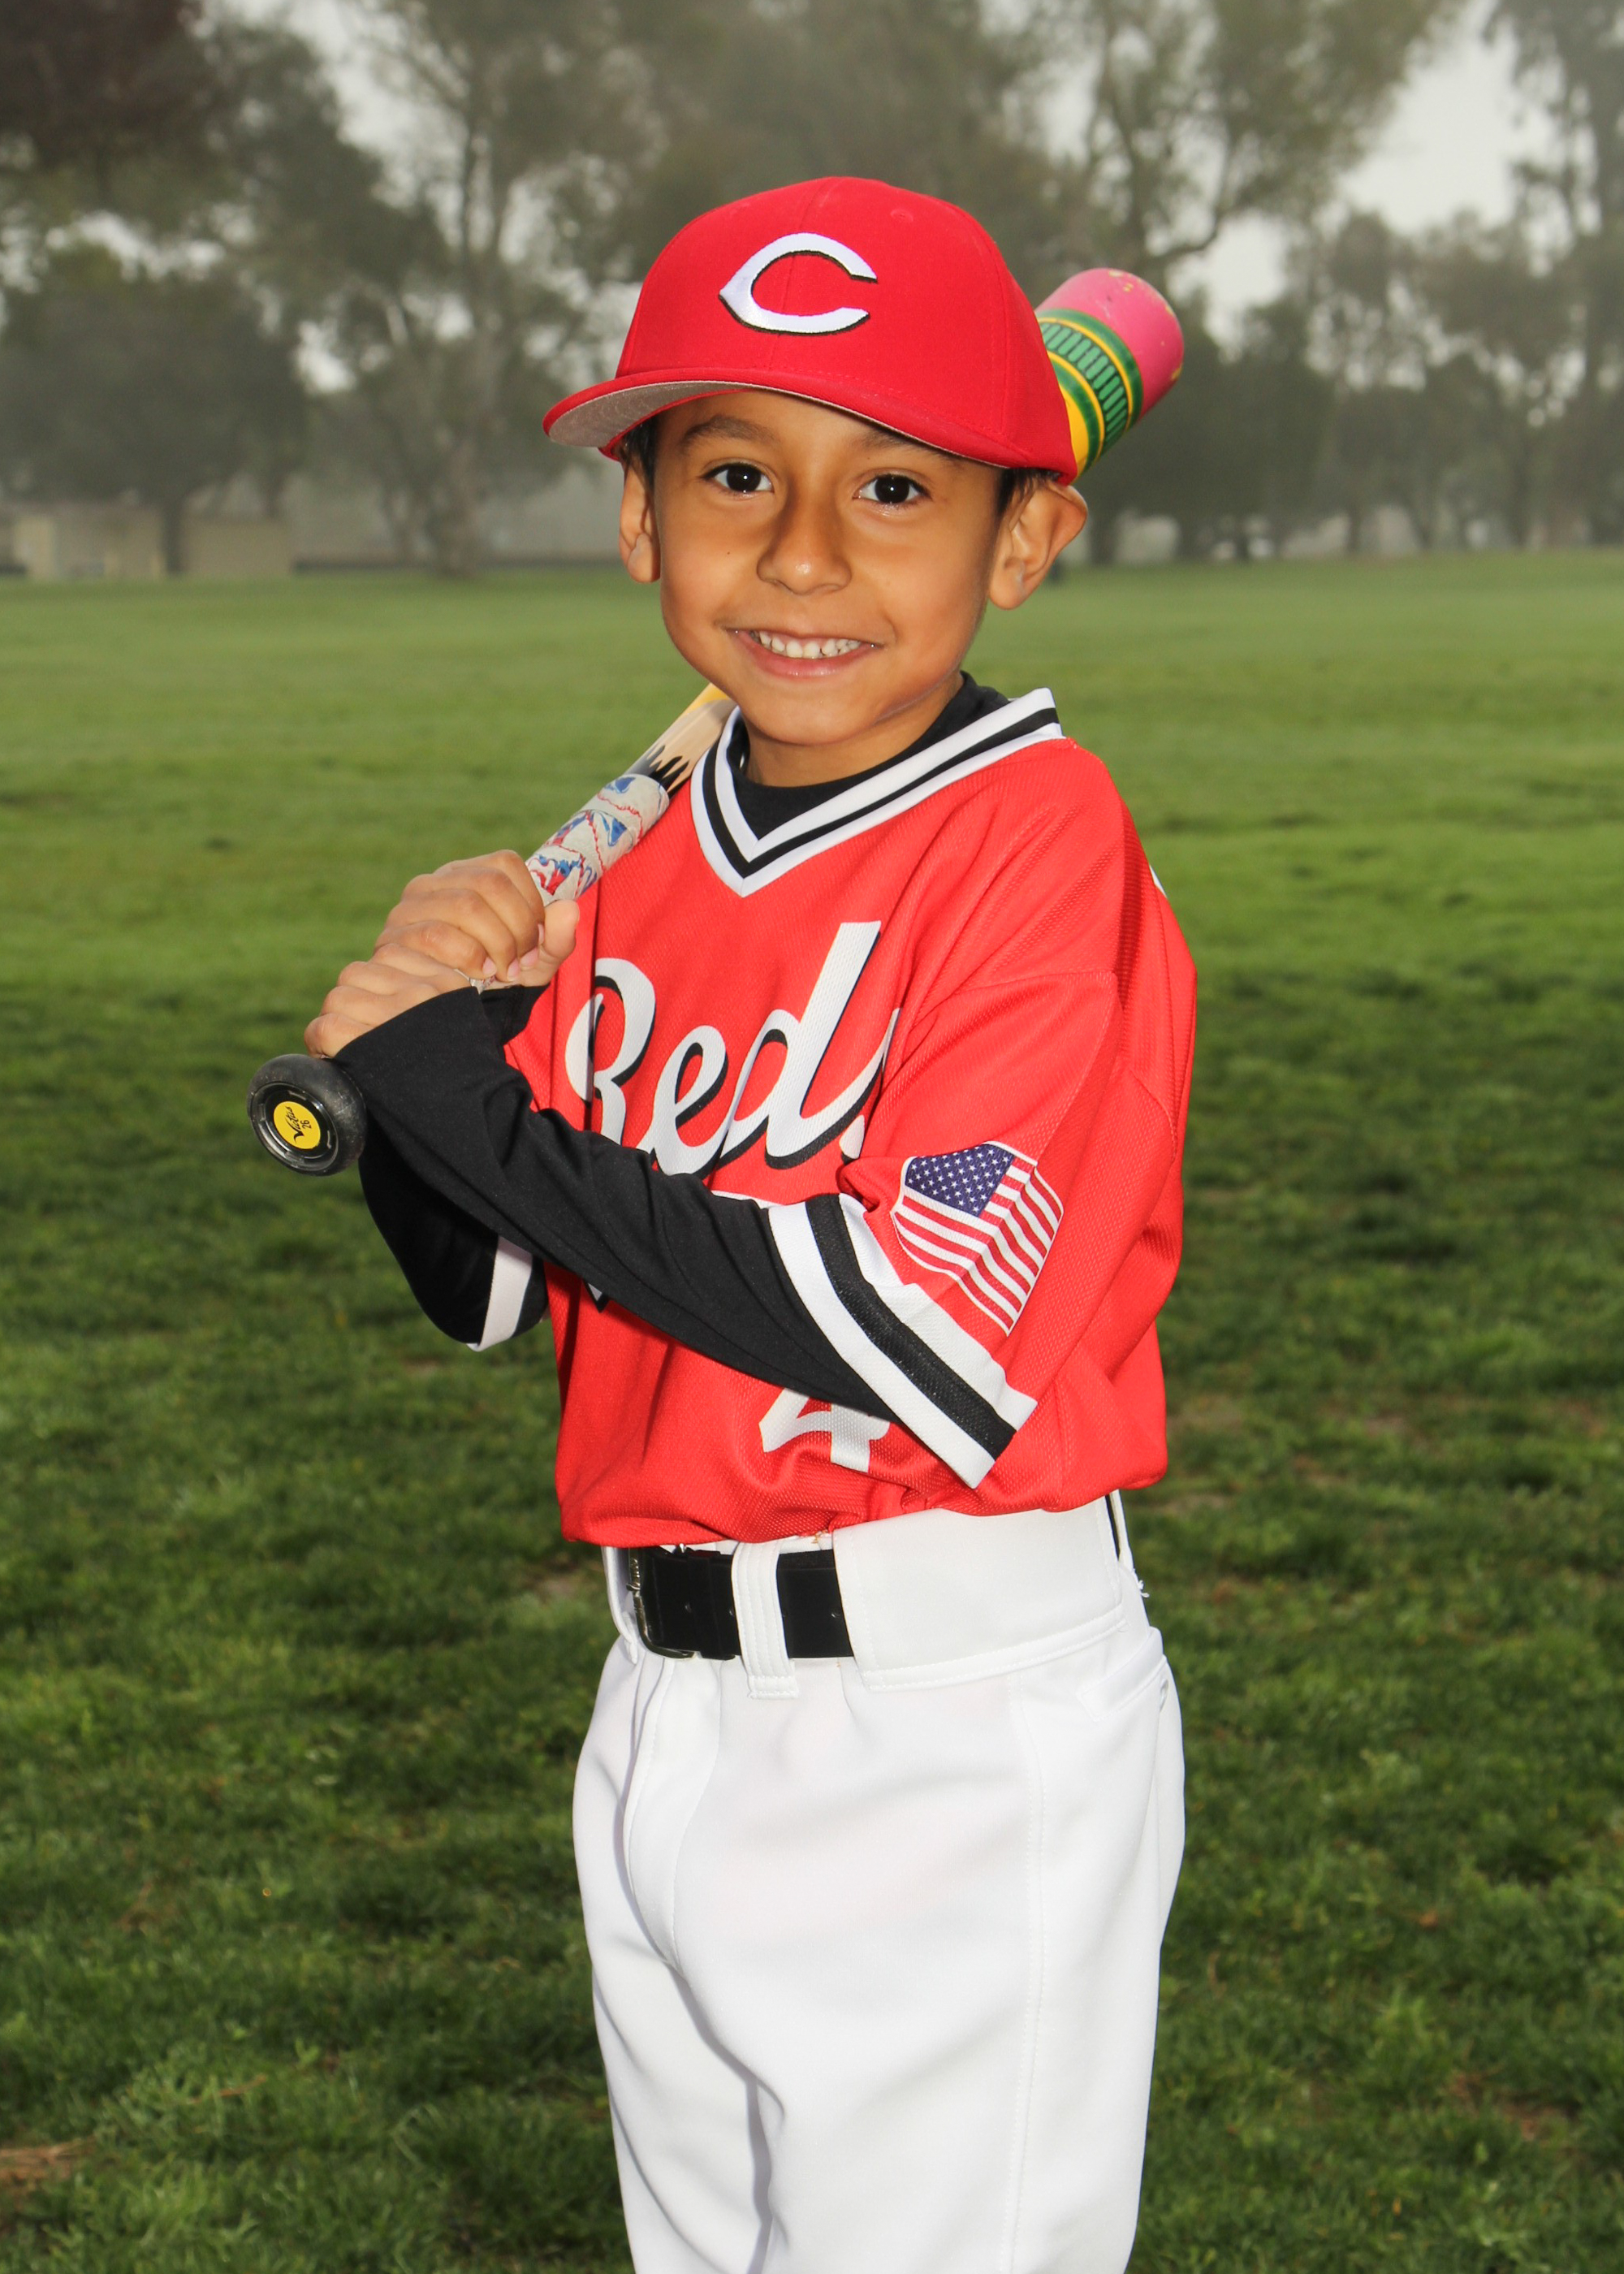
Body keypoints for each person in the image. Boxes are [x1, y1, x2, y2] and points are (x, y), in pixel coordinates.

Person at [307, 177, 1197, 2274]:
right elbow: (503, 1284)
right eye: (734, 476)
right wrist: (444, 1074)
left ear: (1023, 541)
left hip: (942, 1729)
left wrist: (464, 1101)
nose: (804, 555)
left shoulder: (1037, 842)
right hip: (666, 1713)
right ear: (640, 520)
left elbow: (912, 1324)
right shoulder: (645, 864)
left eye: (895, 488)